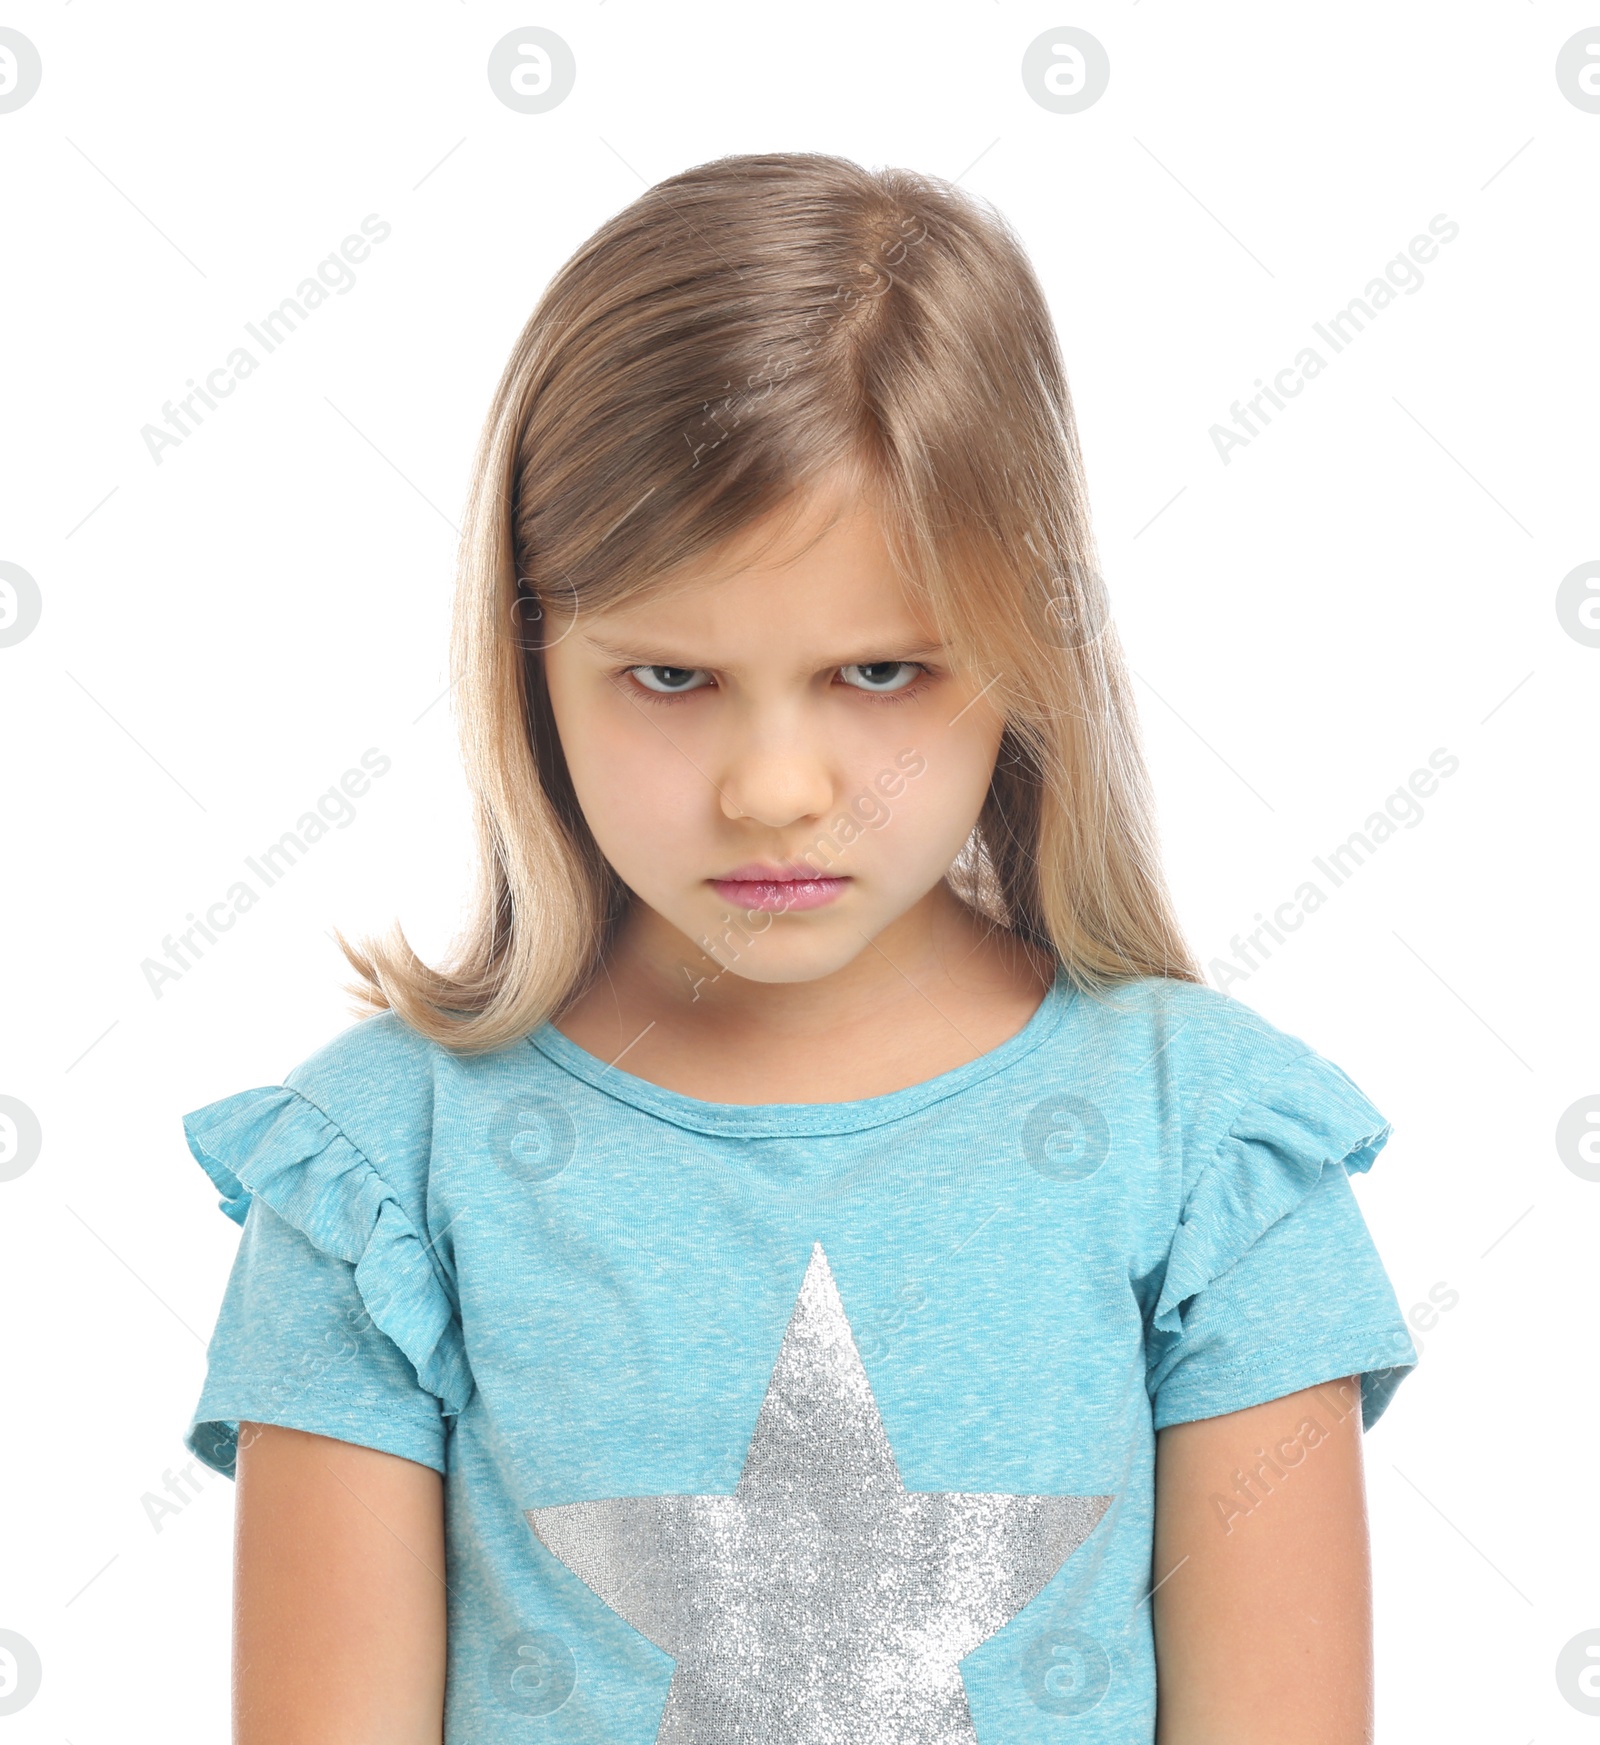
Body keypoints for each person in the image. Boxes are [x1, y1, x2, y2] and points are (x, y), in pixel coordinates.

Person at [181, 152, 1417, 1744]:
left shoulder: (1216, 1158)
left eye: (883, 671)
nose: (776, 789)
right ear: (532, 651)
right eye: (674, 679)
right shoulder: (382, 1175)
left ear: (1022, 644)